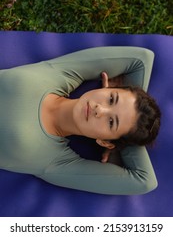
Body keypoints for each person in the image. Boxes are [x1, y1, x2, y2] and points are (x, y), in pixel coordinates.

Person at [0, 46, 161, 195]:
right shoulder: (62, 73)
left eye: (111, 122)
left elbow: (144, 182)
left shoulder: (57, 163)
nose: (100, 109)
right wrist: (118, 137)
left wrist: (122, 145)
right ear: (109, 88)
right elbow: (142, 59)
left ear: (105, 142)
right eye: (112, 99)